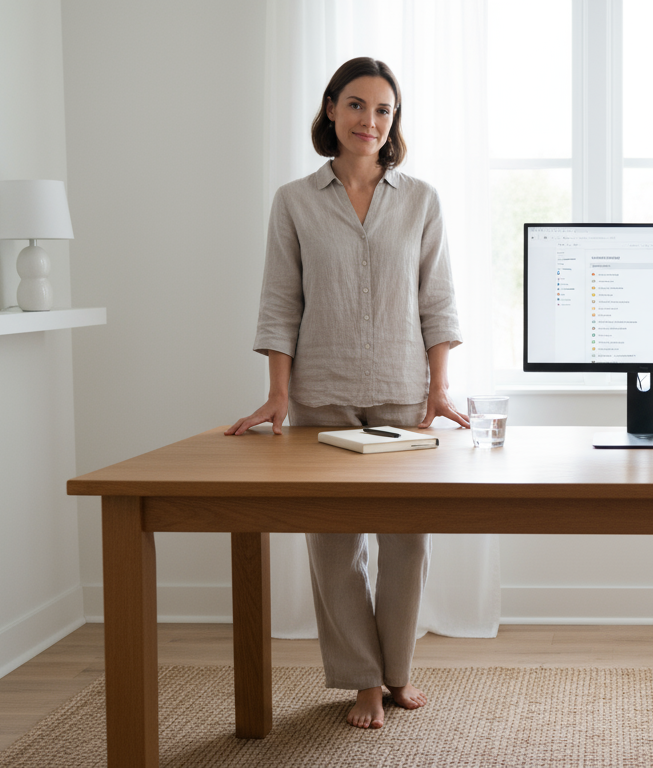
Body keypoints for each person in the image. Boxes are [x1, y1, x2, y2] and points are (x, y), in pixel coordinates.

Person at [226, 57, 469, 729]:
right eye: (357, 105)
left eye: (384, 110)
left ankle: (396, 672)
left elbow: (437, 300)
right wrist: (277, 394)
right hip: (321, 396)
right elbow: (280, 303)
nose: (370, 121)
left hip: (401, 393)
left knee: (407, 543)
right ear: (331, 109)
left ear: (394, 122)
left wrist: (439, 387)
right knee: (334, 545)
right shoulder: (295, 201)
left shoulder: (421, 200)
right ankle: (361, 681)